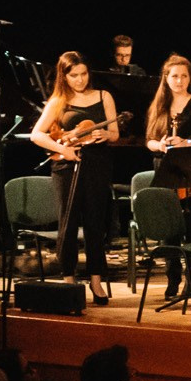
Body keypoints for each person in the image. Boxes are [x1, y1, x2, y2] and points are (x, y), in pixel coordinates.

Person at [29, 51, 121, 304]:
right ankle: (68, 280)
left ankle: (96, 282)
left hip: (97, 165)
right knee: (67, 225)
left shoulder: (104, 96)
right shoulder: (58, 101)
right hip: (66, 167)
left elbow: (115, 133)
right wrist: (63, 150)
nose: (80, 80)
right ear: (64, 76)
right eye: (74, 75)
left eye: (84, 74)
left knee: (95, 224)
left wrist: (106, 135)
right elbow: (37, 135)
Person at [143, 53, 191, 302]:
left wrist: (187, 142)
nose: (179, 80)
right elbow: (149, 140)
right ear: (166, 78)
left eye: (184, 76)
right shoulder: (159, 105)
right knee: (170, 230)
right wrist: (160, 145)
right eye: (174, 76)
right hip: (165, 169)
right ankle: (172, 278)